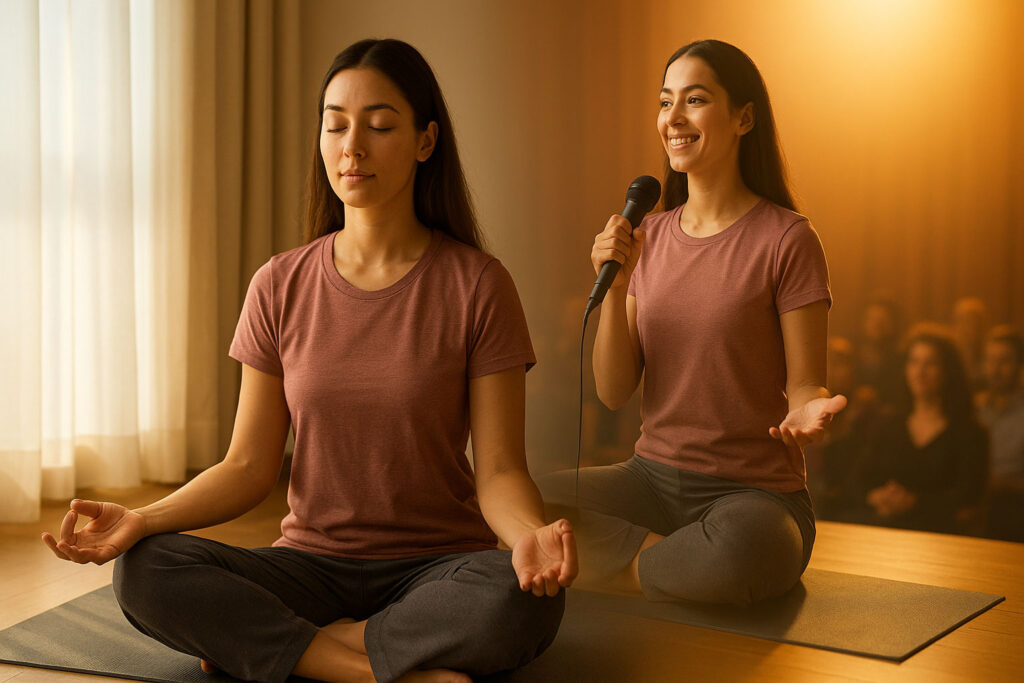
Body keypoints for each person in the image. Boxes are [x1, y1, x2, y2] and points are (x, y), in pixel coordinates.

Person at [41, 39, 575, 683]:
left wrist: (526, 536)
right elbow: (246, 466)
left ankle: (295, 650)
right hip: (309, 567)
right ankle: (369, 669)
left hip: (437, 566)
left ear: (426, 141)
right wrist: (141, 520)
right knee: (147, 569)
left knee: (520, 595)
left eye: (379, 126)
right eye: (336, 124)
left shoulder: (478, 284)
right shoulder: (279, 283)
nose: (353, 146)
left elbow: (498, 471)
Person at [538, 39, 845, 606]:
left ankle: (619, 569)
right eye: (664, 102)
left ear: (743, 117)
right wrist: (618, 285)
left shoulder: (787, 239)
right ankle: (669, 564)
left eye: (695, 100)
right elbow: (612, 392)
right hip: (650, 481)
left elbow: (805, 383)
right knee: (524, 500)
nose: (673, 119)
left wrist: (809, 407)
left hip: (753, 498)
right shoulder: (648, 237)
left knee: (754, 547)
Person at [853, 326, 988, 534]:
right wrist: (876, 496)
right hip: (885, 534)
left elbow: (968, 499)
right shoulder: (888, 424)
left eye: (930, 363)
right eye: (914, 361)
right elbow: (857, 480)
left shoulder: (970, 433)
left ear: (948, 371)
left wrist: (914, 502)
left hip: (944, 538)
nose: (919, 371)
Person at [975, 326, 1024, 541]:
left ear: (1019, 366)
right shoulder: (974, 409)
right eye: (990, 360)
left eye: (1003, 361)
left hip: (1013, 508)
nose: (995, 369)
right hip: (974, 505)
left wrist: (997, 482)